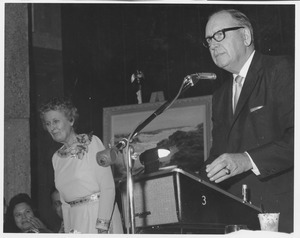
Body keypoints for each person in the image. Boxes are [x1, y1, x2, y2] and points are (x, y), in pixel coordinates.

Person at [201, 9, 294, 233]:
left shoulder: (282, 70)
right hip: (238, 218)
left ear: (246, 36)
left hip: (284, 214)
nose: (213, 44)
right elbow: (219, 154)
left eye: (220, 34)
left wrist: (246, 160)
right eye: (208, 40)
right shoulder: (220, 95)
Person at [39, 98, 123, 234]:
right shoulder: (56, 158)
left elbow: (107, 187)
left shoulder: (91, 143)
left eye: (56, 121)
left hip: (99, 216)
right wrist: (68, 230)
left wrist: (102, 226)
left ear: (71, 120)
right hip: (75, 221)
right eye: (48, 123)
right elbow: (65, 202)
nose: (52, 128)